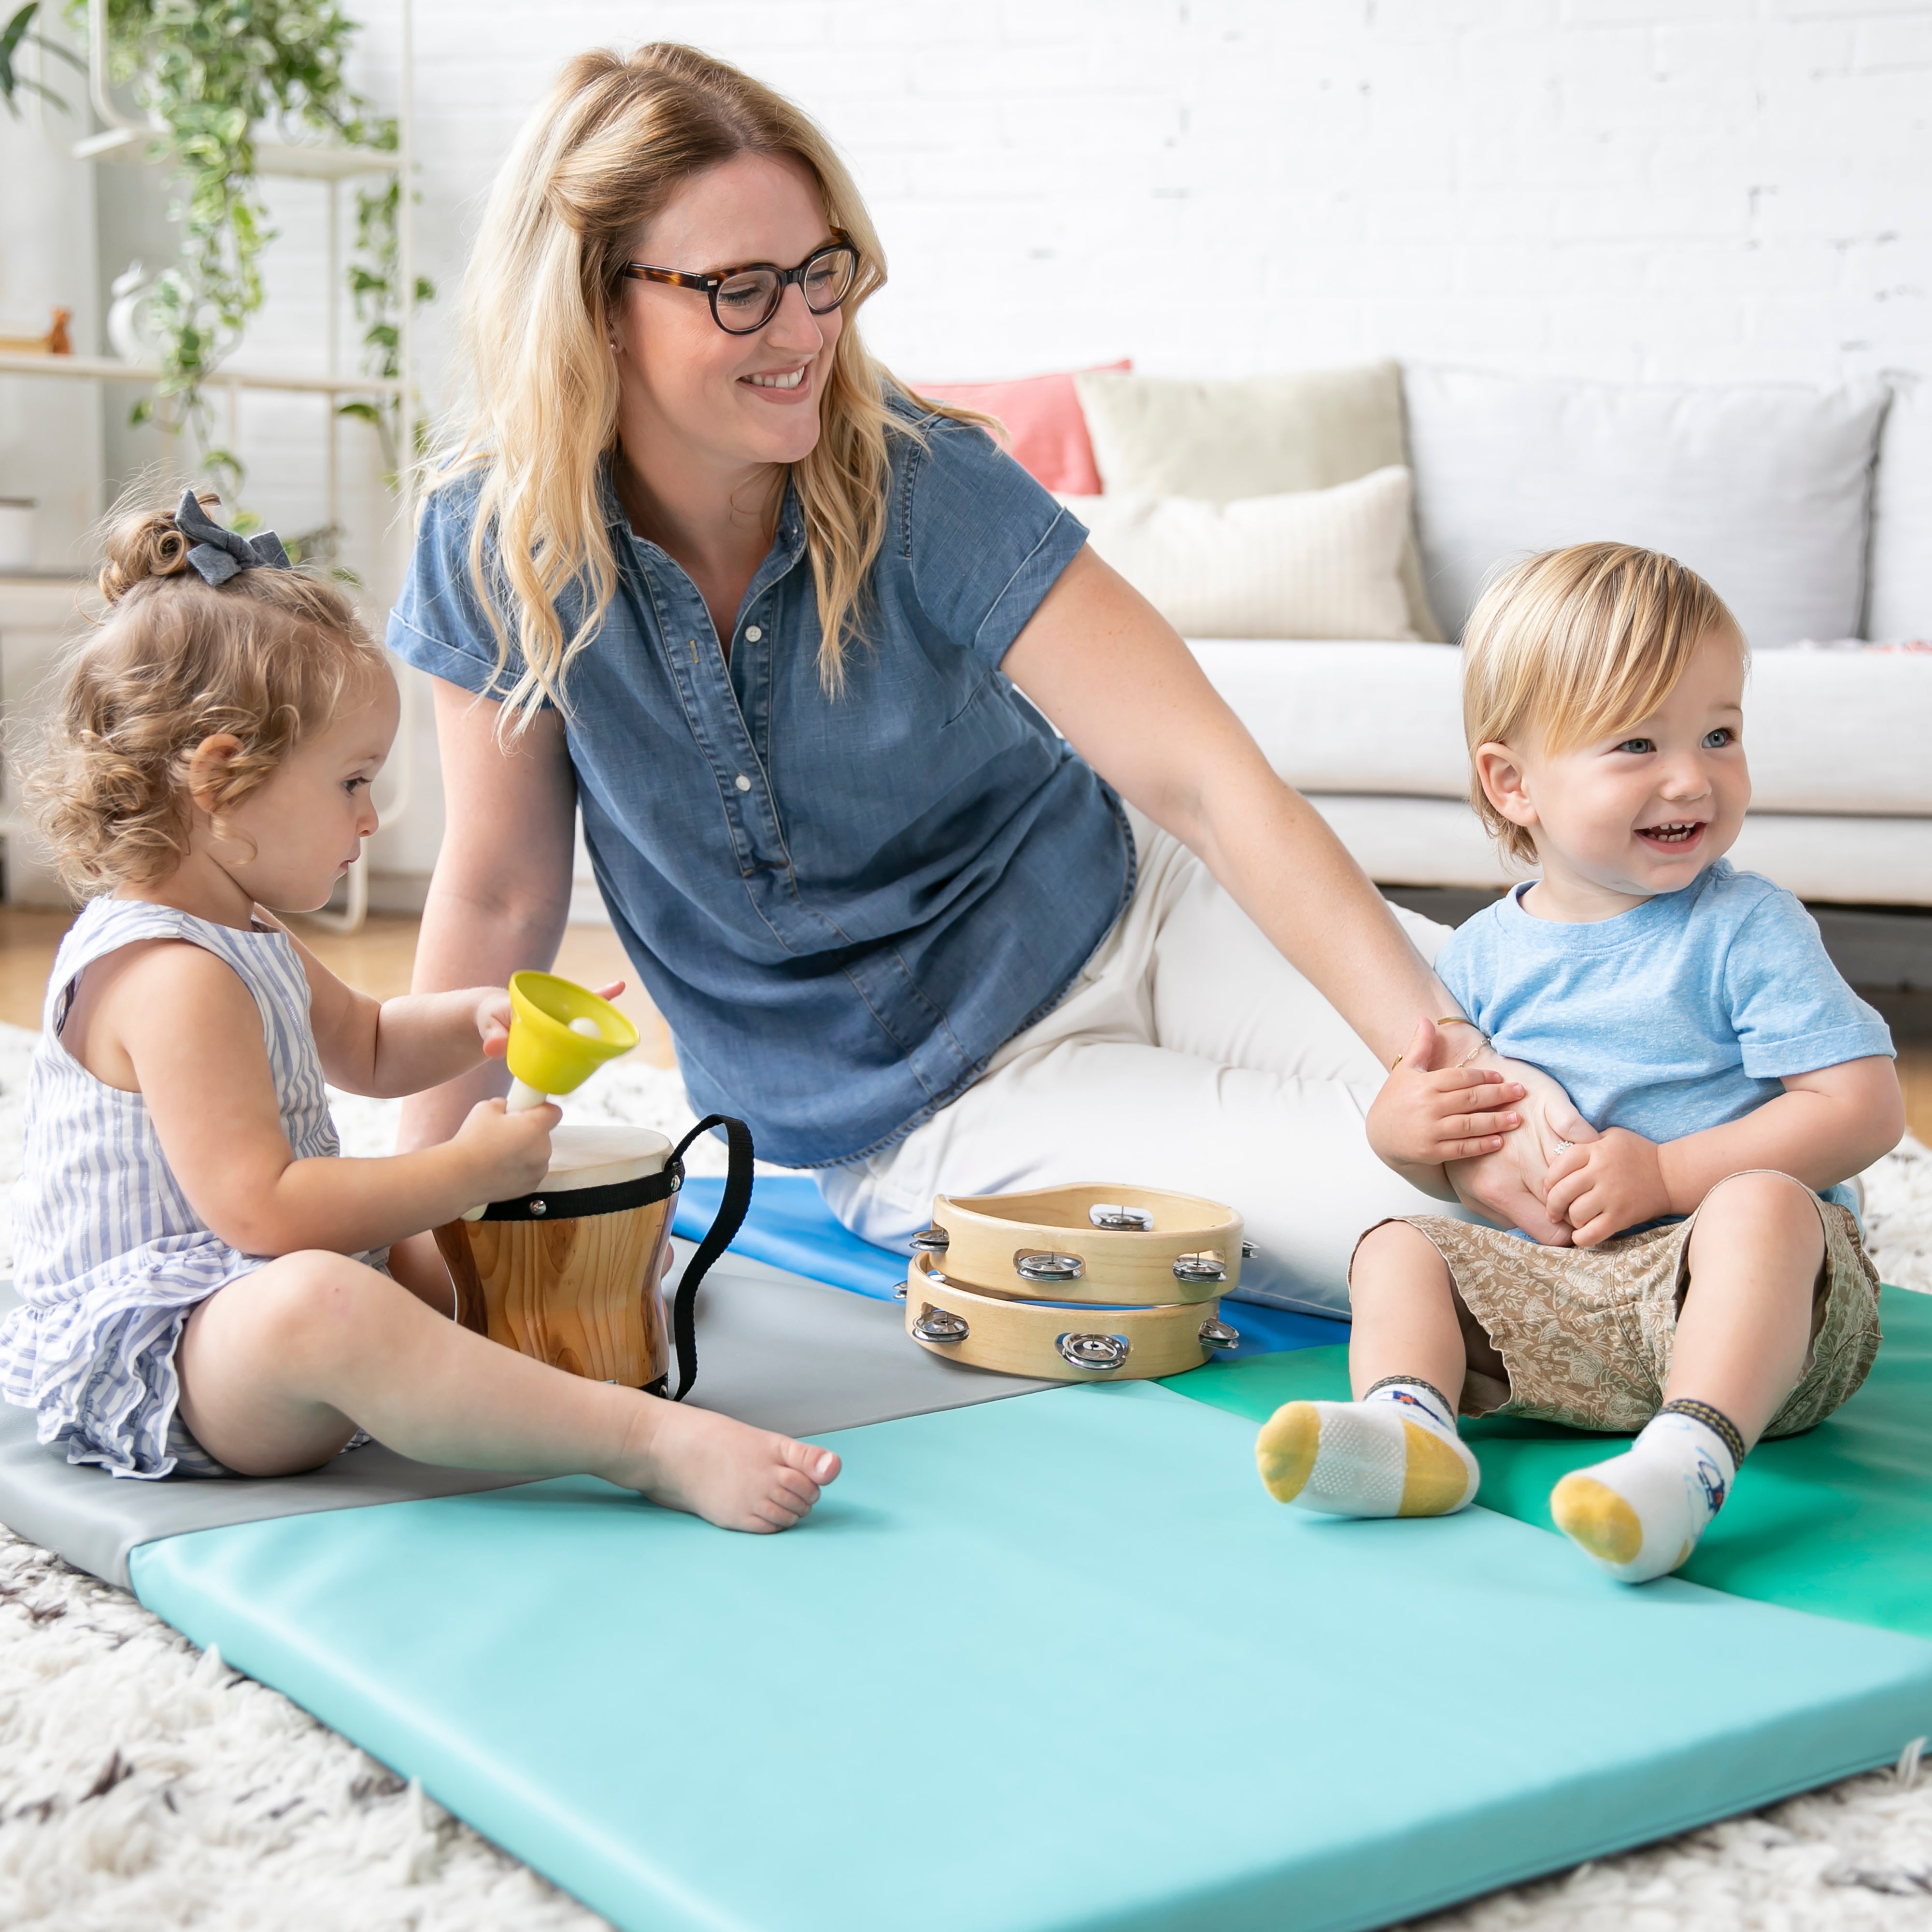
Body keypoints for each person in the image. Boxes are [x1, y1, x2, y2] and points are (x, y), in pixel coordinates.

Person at [388, 42, 1588, 1320]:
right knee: (1454, 1225)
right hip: (937, 1104)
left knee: (1595, 1092)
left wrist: (1449, 1054)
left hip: (1141, 911)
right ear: (595, 304)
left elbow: (1205, 783)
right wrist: (408, 1212)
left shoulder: (918, 477)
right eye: (741, 290)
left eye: (820, 273)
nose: (803, 332)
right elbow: (504, 889)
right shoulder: (491, 546)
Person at [0, 491, 838, 1534]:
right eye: (351, 781)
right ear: (220, 778)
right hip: (172, 1352)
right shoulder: (171, 972)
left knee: (480, 1248)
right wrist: (459, 1171)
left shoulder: (244, 927)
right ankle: (637, 1440)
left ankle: (563, 1339)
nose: (370, 815)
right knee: (336, 1298)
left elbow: (370, 1042)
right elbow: (260, 1209)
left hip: (260, 1290)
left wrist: (474, 1016)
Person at [1256, 544, 1902, 1581]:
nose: (1690, 776)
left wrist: (1667, 1174)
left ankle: (1686, 1459)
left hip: (1755, 1308)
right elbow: (1457, 1139)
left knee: (1762, 1205)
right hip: (1566, 1308)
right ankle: (1411, 1429)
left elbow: (1861, 1107)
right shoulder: (1476, 955)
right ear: (1511, 783)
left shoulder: (1746, 925)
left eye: (1718, 733)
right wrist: (1405, 1134)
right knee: (1395, 1247)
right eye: (1637, 742)